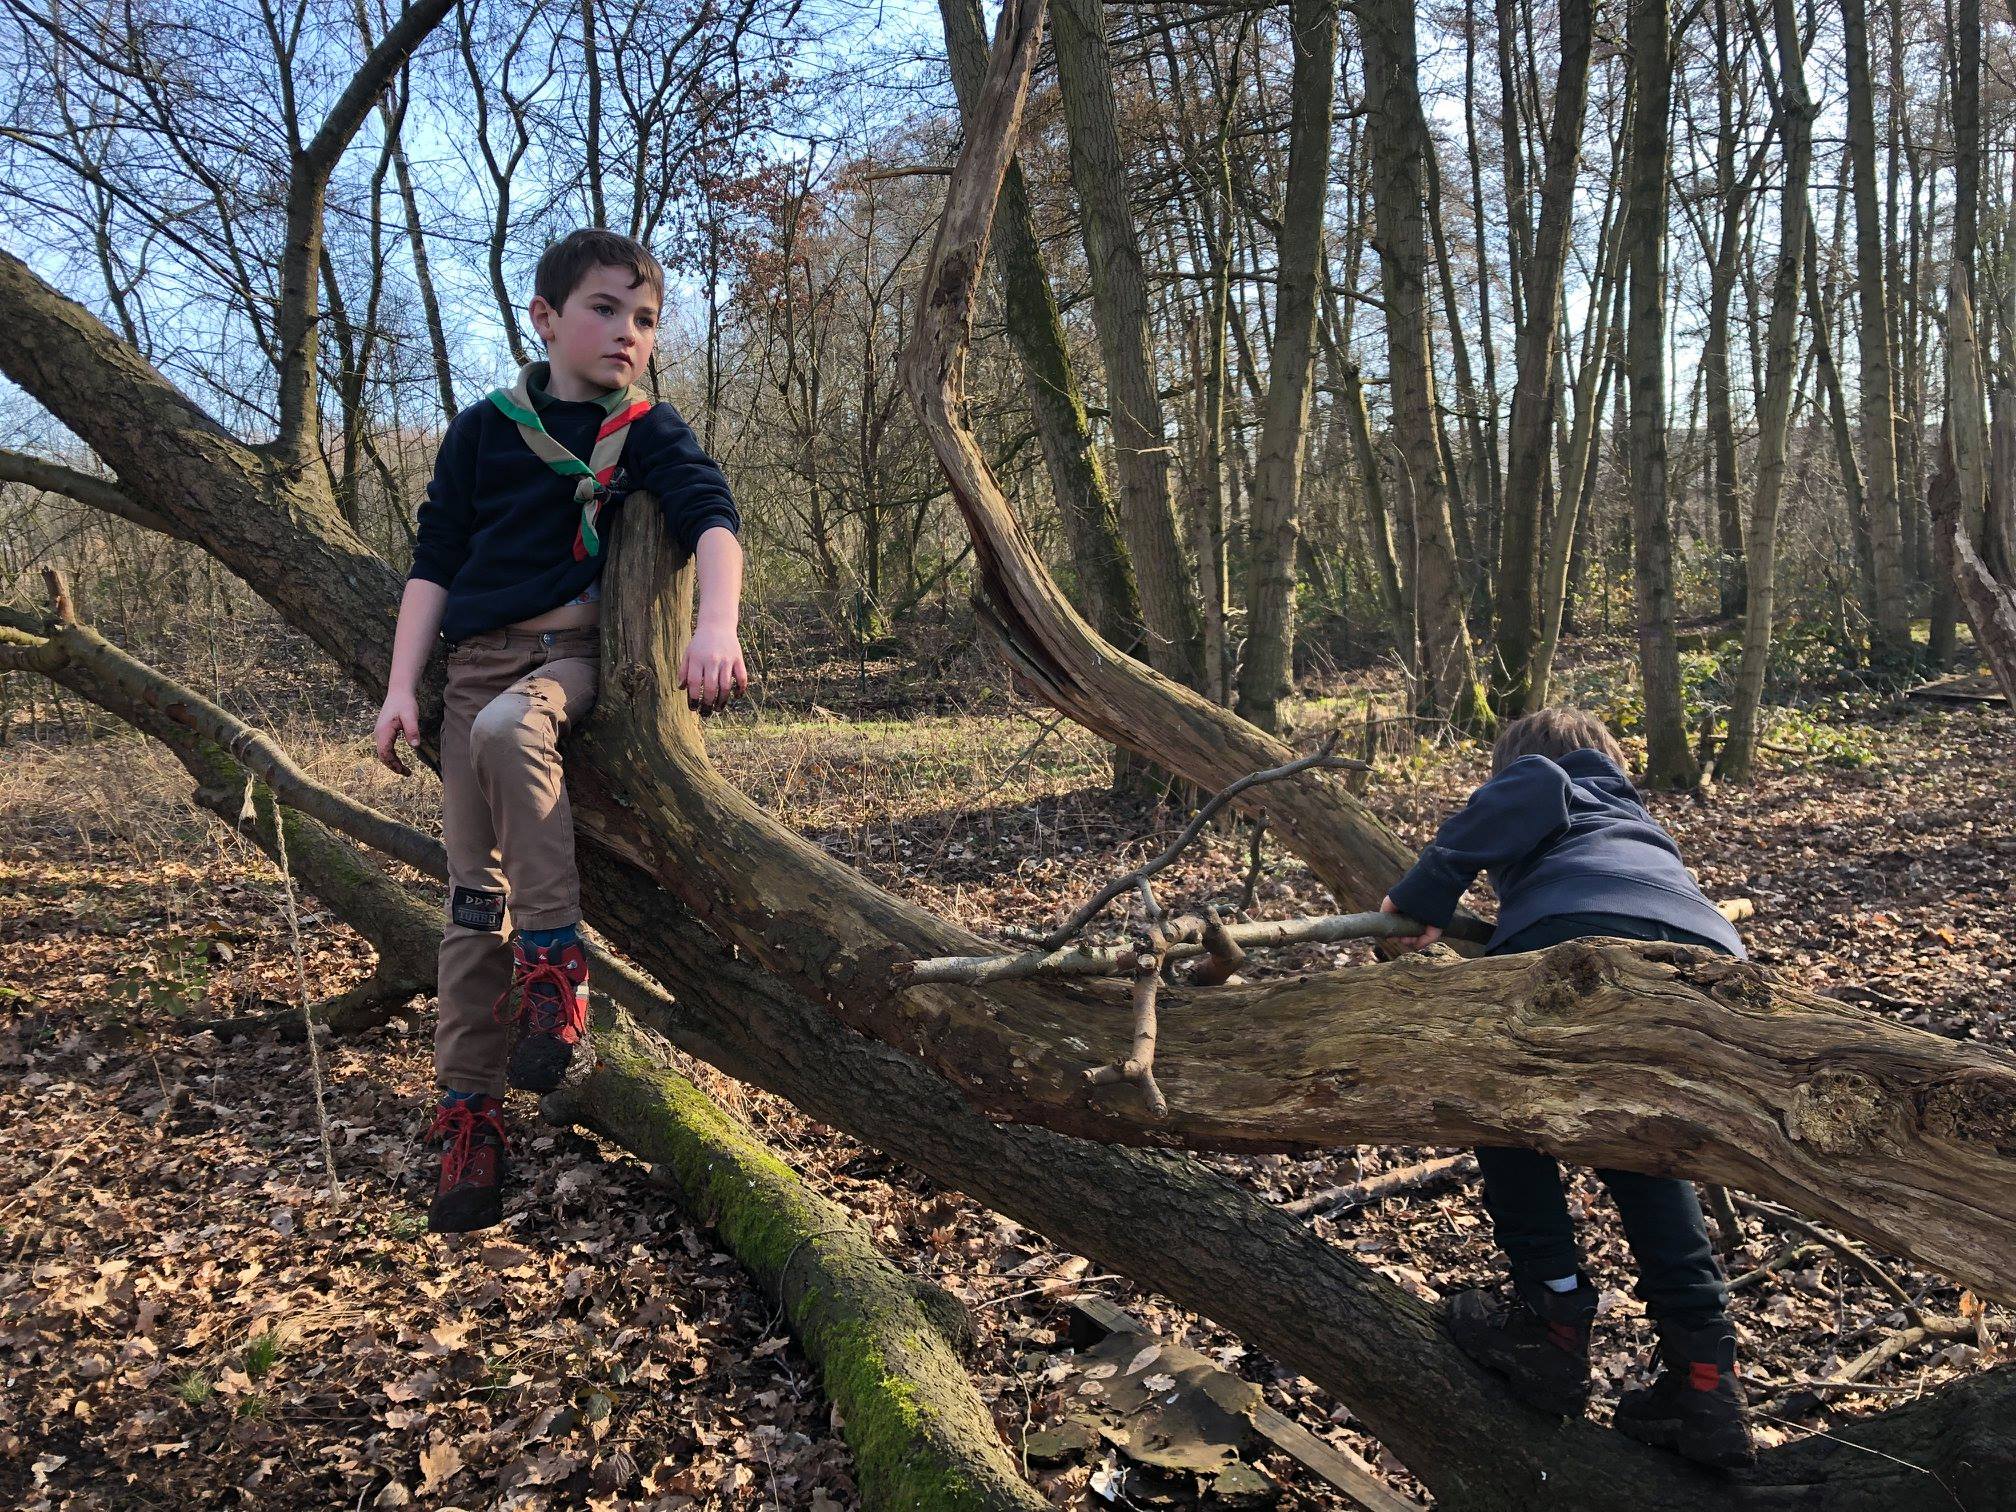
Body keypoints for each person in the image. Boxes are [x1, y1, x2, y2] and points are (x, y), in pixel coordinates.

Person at [372, 229, 748, 1235]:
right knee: (463, 905)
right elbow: (433, 563)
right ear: (543, 319)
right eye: (603, 309)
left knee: (508, 728)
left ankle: (554, 962)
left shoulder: (647, 430)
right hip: (476, 663)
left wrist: (717, 627)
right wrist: (402, 688)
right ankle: (469, 1120)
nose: (627, 332)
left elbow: (714, 518)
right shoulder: (483, 430)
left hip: (570, 665)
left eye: (646, 319)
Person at [1379, 706, 1756, 1470]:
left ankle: (1550, 1322)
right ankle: (1707, 1385)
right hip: (1705, 961)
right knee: (1647, 1155)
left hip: (1587, 941)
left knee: (1503, 1105)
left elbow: (1533, 788)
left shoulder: (1553, 776)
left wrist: (1421, 897)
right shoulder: (1631, 814)